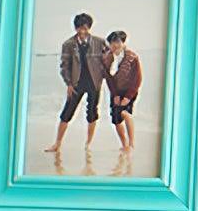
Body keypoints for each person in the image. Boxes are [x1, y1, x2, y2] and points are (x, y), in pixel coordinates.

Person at [46, 11, 108, 156]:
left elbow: (108, 60)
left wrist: (104, 76)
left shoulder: (99, 42)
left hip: (94, 83)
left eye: (85, 28)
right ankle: (57, 143)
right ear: (75, 28)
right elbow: (64, 66)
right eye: (79, 28)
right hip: (76, 84)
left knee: (92, 113)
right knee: (66, 113)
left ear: (89, 27)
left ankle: (88, 145)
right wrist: (68, 83)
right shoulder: (68, 44)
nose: (82, 31)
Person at [104, 29, 143, 154]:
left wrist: (128, 97)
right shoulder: (107, 58)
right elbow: (109, 79)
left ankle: (131, 144)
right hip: (116, 92)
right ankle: (124, 144)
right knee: (116, 119)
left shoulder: (132, 57)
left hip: (130, 91)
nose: (115, 45)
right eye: (112, 42)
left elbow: (137, 79)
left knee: (125, 113)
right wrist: (115, 95)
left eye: (117, 42)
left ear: (123, 42)